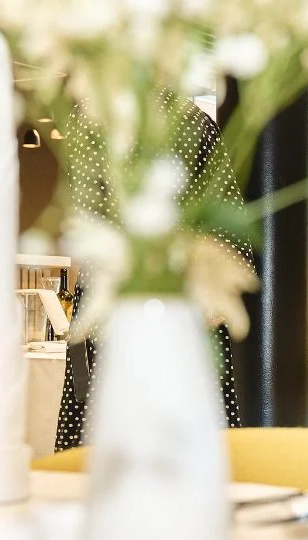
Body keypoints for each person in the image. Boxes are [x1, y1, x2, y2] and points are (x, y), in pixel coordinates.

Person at [55, 94, 249, 451]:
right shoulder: (96, 117)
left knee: (130, 434)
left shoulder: (177, 121)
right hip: (137, 298)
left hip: (168, 297)